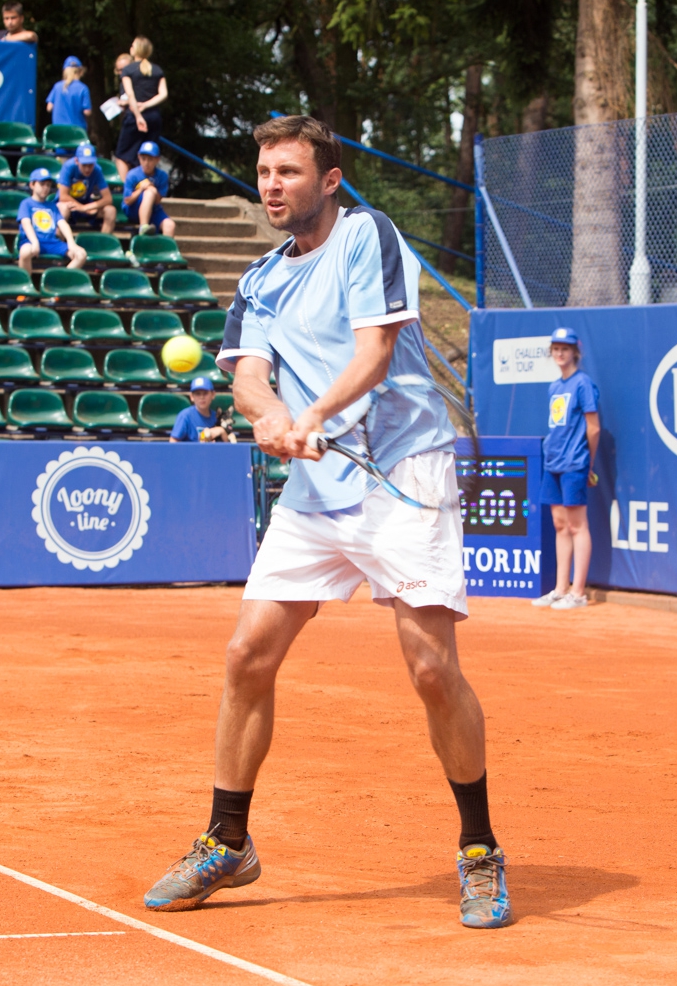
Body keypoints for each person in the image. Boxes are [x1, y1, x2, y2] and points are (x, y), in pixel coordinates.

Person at [142, 115, 511, 930]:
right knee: (247, 653)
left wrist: (311, 413)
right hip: (316, 489)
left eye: (289, 172)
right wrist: (274, 417)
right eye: (265, 172)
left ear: (329, 178)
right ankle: (226, 840)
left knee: (429, 669)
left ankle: (479, 850)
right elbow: (247, 377)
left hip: (403, 473)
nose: (272, 185)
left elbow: (375, 352)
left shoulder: (366, 236)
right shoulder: (261, 277)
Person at [531, 327, 600, 610]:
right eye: (556, 348)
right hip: (553, 462)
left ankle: (578, 592)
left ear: (575, 352)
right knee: (560, 525)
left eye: (565, 348)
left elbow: (593, 428)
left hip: (575, 463)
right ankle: (561, 589)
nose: (560, 353)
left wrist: (589, 464)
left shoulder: (583, 384)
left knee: (576, 525)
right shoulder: (554, 387)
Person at [115, 36, 168, 180]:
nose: (130, 48)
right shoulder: (157, 70)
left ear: (136, 50)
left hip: (134, 117)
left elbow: (130, 94)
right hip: (154, 117)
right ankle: (147, 187)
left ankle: (128, 189)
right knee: (148, 156)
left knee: (122, 156)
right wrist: (147, 104)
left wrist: (138, 115)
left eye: (132, 46)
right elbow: (163, 94)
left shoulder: (128, 70)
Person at [16, 168, 88, 271]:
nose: (45, 188)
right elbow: (26, 223)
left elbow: (63, 224)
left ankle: (59, 280)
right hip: (32, 241)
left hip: (52, 242)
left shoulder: (52, 206)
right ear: (32, 185)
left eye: (48, 185)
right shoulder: (26, 203)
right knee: (25, 251)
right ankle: (26, 282)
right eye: (42, 184)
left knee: (81, 254)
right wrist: (35, 242)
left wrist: (71, 242)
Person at [57, 143, 115, 233]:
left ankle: (103, 244)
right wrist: (81, 207)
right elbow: (63, 196)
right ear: (77, 161)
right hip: (69, 204)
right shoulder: (68, 167)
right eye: (84, 165)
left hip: (86, 204)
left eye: (90, 165)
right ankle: (59, 244)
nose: (87, 169)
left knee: (111, 211)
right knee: (63, 209)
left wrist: (86, 208)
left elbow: (108, 199)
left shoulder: (97, 170)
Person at [122, 142, 175, 237]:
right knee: (149, 192)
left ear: (157, 160)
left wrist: (152, 189)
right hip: (133, 209)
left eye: (150, 159)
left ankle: (165, 250)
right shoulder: (132, 174)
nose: (146, 163)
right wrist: (141, 189)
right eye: (143, 159)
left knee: (170, 225)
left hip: (154, 210)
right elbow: (127, 201)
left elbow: (158, 200)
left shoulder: (162, 176)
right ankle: (144, 226)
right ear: (139, 157)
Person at [170, 378, 231, 442]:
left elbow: (227, 446)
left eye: (205, 393)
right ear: (192, 397)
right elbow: (173, 441)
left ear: (213, 394)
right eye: (198, 394)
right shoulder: (185, 416)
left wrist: (222, 431)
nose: (202, 397)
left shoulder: (217, 417)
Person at [46, 57, 92, 131]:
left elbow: (49, 108)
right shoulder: (83, 88)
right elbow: (87, 112)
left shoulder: (57, 86)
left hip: (58, 130)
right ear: (80, 71)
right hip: (77, 131)